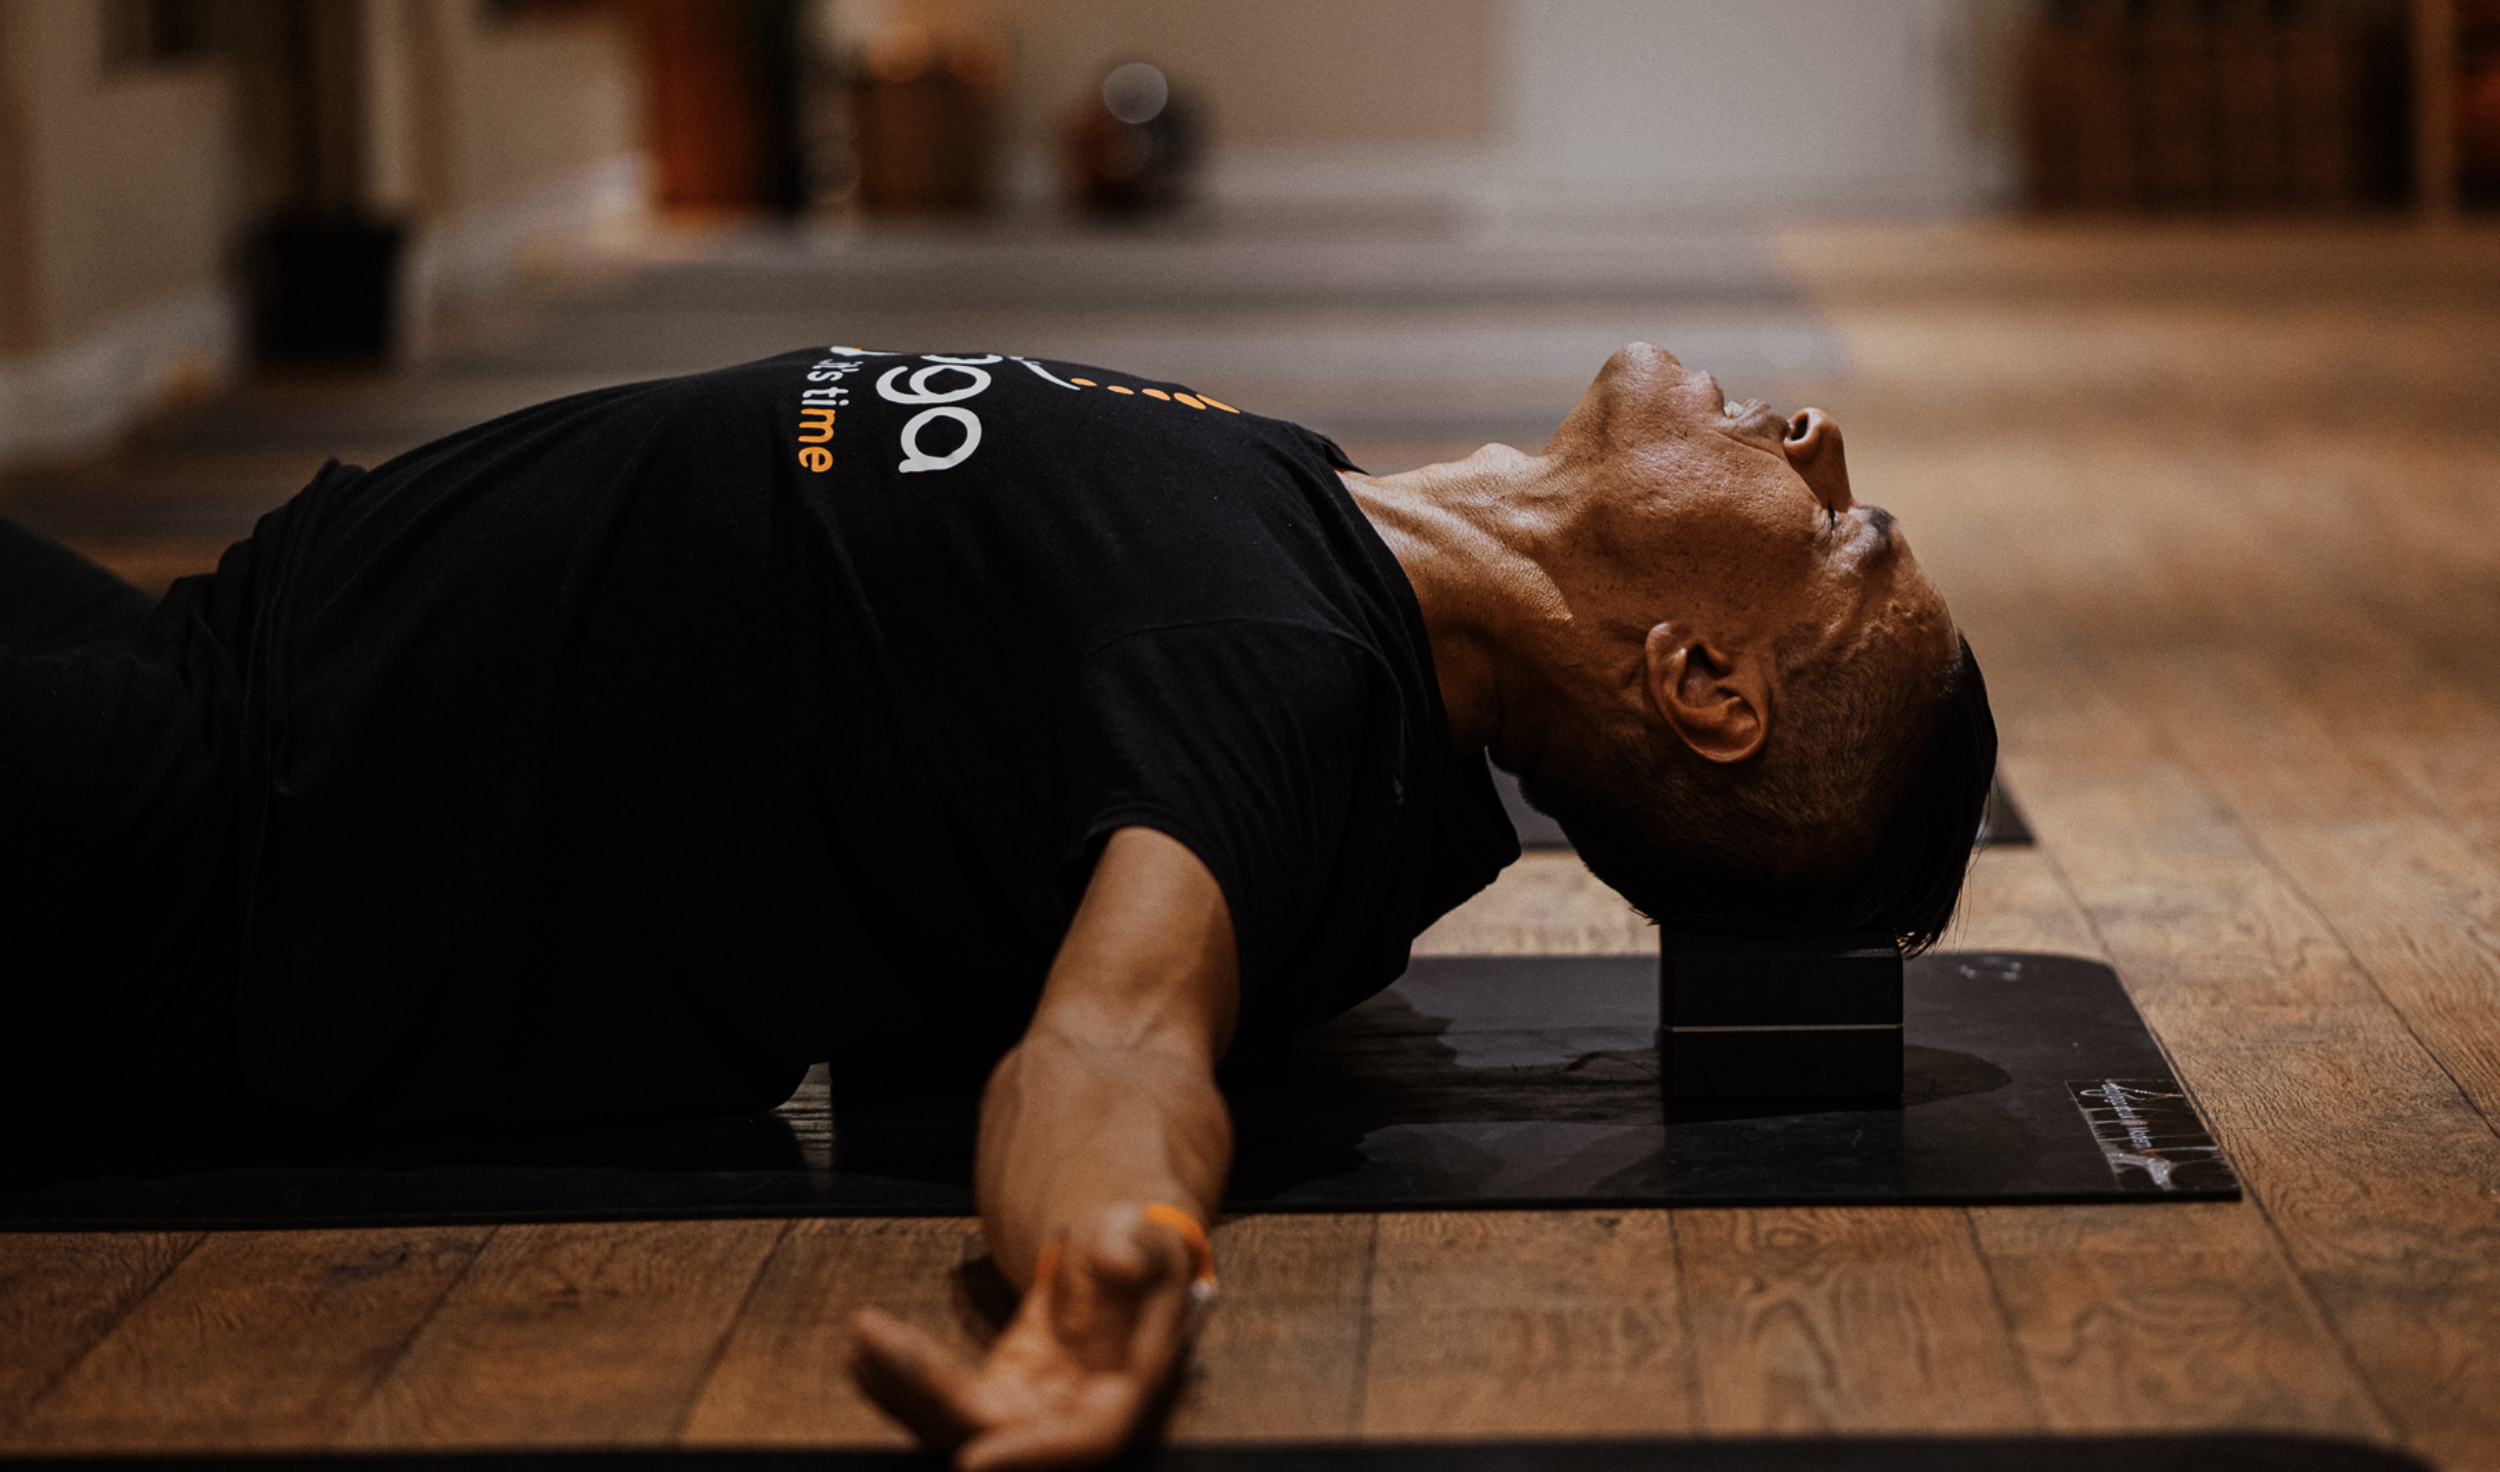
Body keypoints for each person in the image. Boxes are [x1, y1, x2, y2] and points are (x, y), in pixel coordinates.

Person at [0, 340, 1994, 1468]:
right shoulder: (1329, 579)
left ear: (1707, 687)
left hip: (185, 848)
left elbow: (1118, 1033)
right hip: (214, 653)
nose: (1815, 437)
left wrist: (1102, 1273)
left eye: (1839, 533)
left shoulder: (1280, 685)